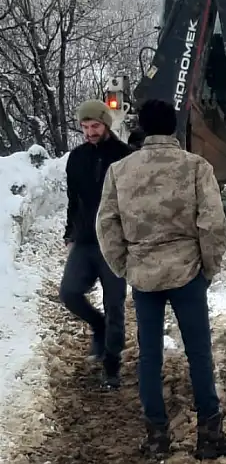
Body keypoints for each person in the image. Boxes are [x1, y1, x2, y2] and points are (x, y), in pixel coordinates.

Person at [95, 99, 226, 459]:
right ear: (175, 128)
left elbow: (106, 224)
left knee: (149, 357)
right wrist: (208, 267)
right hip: (187, 272)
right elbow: (212, 224)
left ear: (143, 128)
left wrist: (124, 266)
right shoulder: (196, 167)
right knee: (199, 354)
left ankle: (157, 437)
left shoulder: (120, 170)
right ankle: (209, 434)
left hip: (143, 275)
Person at [60, 99, 132, 389]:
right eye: (85, 127)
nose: (89, 132)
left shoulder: (124, 156)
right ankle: (97, 325)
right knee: (69, 293)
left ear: (106, 125)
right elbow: (73, 199)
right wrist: (70, 231)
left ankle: (112, 364)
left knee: (114, 304)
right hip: (86, 240)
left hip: (113, 243)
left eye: (95, 126)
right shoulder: (76, 157)